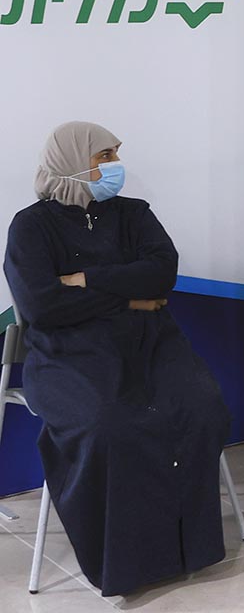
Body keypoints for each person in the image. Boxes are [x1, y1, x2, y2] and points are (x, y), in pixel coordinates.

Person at [4, 122, 231, 596]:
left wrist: (85, 279)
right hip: (68, 356)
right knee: (108, 427)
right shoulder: (31, 226)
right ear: (72, 160)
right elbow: (42, 305)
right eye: (104, 156)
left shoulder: (134, 213)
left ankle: (192, 548)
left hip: (152, 343)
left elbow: (162, 273)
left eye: (115, 154)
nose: (115, 165)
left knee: (201, 408)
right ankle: (126, 564)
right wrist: (129, 295)